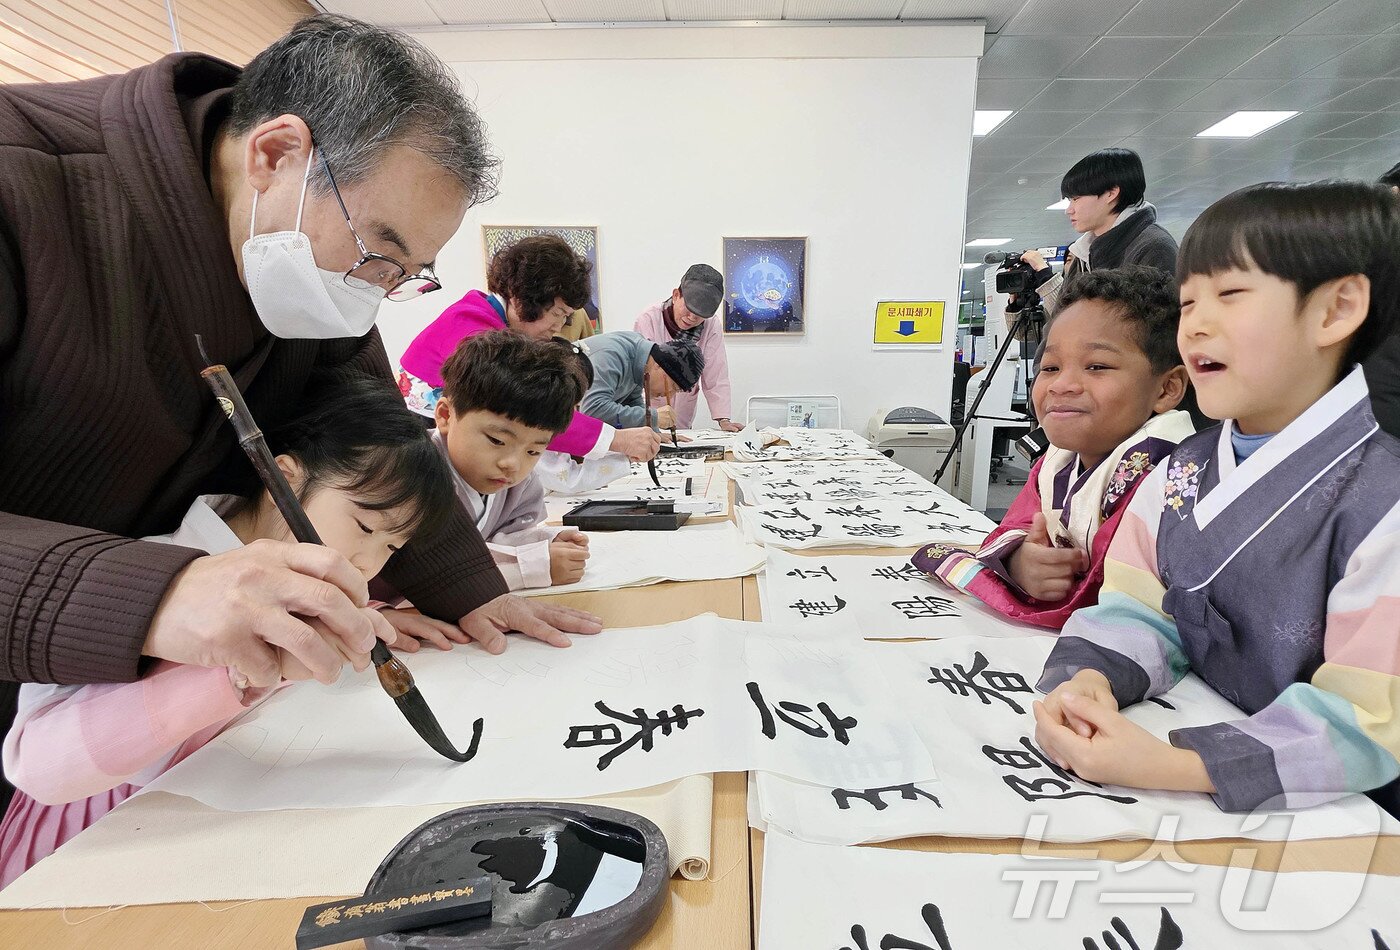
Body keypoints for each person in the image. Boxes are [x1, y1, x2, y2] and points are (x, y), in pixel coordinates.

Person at [0, 15, 599, 810]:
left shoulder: (307, 274)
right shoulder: (23, 185)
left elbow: (378, 438)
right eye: (378, 254)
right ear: (275, 156)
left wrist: (472, 591)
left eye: (408, 272)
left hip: (165, 716)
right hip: (64, 685)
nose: (381, 293)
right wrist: (162, 595)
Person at [1032, 181, 1400, 815]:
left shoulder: (1381, 499)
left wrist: (1177, 764)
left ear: (1337, 309)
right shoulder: (1185, 470)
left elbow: (1369, 715)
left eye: (1229, 295)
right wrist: (1090, 680)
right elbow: (1141, 609)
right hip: (1206, 724)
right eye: (1188, 301)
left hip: (1339, 806)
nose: (1195, 323)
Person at [0, 381, 459, 887]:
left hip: (225, 830)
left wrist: (374, 612)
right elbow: (39, 766)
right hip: (97, 849)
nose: (369, 562)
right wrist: (236, 672)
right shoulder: (151, 570)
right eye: (366, 528)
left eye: (392, 547)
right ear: (284, 478)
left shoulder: (308, 585)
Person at [912, 267, 1194, 628]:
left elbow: (1125, 601)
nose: (1062, 385)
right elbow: (1016, 525)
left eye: (1097, 366)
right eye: (1050, 367)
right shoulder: (1058, 462)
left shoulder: (1169, 475)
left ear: (1167, 389)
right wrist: (1020, 561)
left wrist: (1050, 579)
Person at [398, 235, 663, 462]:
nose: (559, 327)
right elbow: (531, 409)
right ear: (529, 297)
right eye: (558, 313)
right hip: (415, 443)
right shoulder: (476, 330)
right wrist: (616, 440)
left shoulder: (486, 319)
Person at [432, 331, 592, 590]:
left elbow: (500, 538)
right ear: (445, 415)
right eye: (496, 440)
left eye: (533, 451)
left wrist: (545, 540)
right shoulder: (412, 477)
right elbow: (425, 576)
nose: (513, 465)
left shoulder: (520, 484)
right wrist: (533, 567)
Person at [1018, 148, 1180, 318]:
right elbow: (1062, 320)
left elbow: (1158, 331)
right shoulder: (1083, 254)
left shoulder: (1154, 248)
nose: (1069, 210)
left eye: (1076, 199)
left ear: (1111, 193)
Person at [634, 264, 741, 432]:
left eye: (700, 315)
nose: (692, 318)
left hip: (684, 413)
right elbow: (640, 372)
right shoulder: (649, 319)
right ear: (676, 295)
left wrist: (723, 419)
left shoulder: (711, 325)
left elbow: (716, 374)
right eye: (689, 308)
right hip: (652, 408)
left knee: (681, 444)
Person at [578, 331, 704, 432]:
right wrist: (652, 417)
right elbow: (593, 410)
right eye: (673, 387)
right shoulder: (612, 355)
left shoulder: (642, 359)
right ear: (660, 366)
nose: (669, 395)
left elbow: (632, 401)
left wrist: (653, 432)